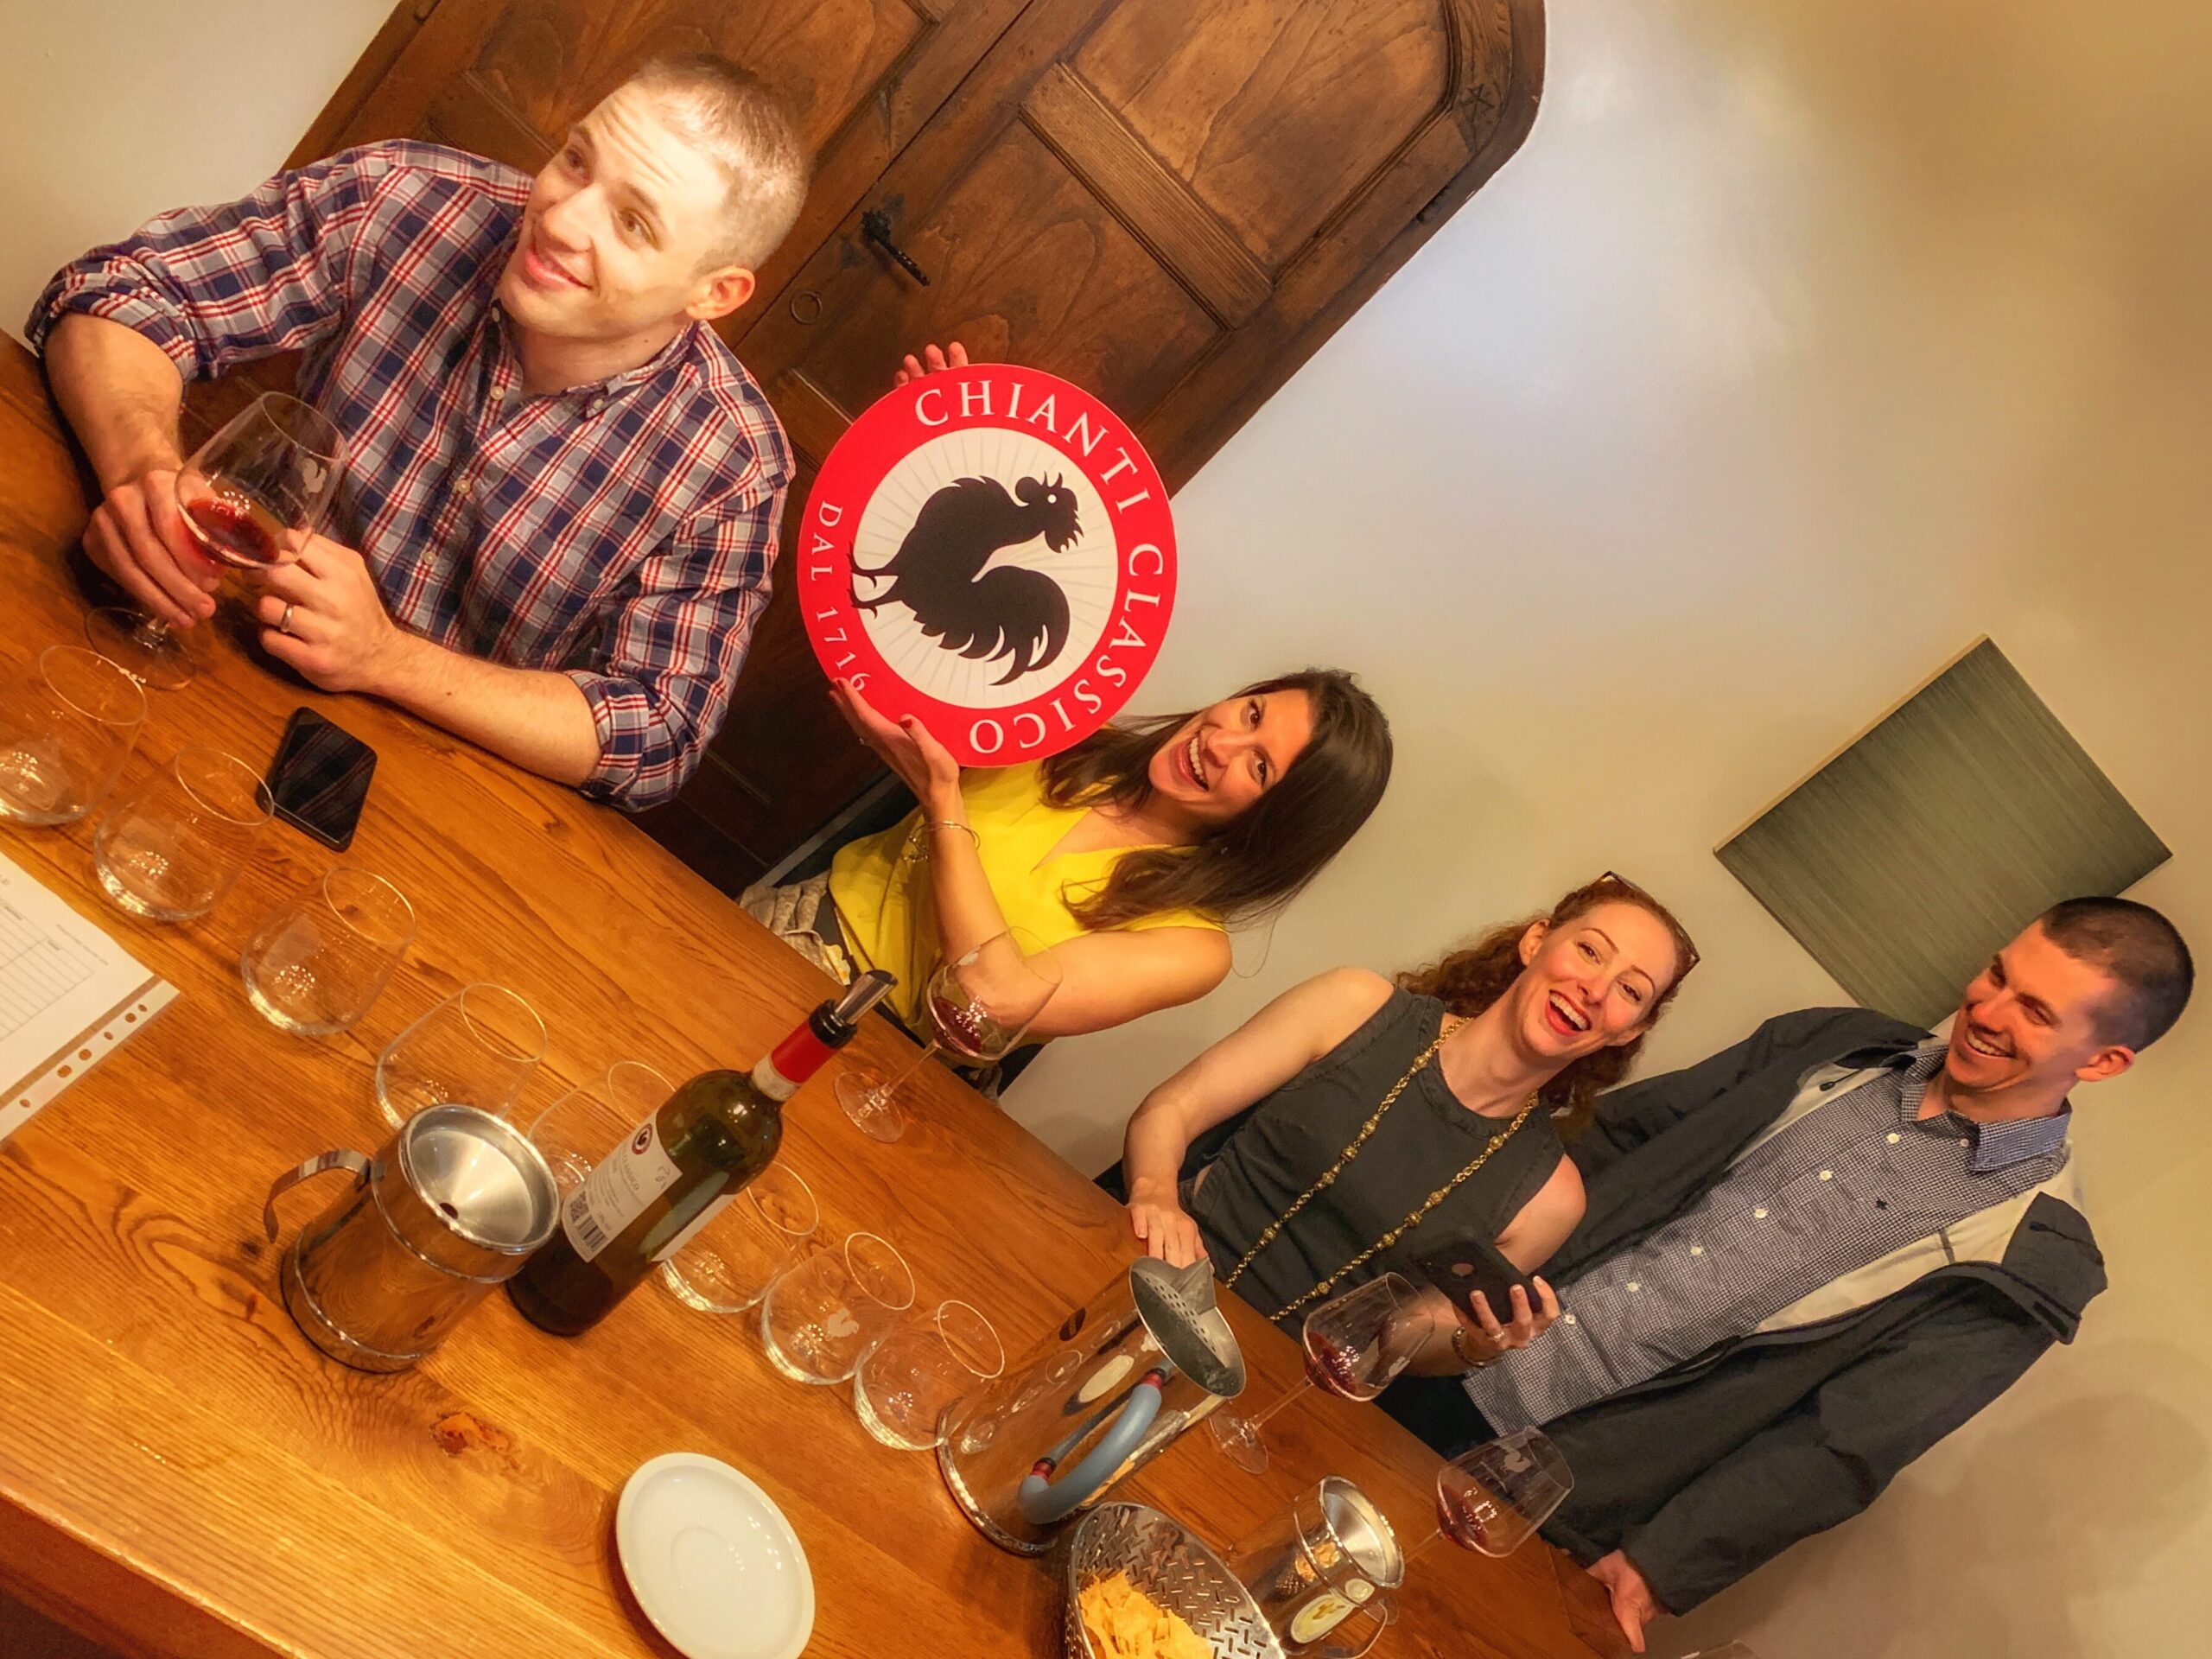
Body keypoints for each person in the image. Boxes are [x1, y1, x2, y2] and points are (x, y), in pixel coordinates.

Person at [1378, 896, 2193, 1651]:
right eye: (1997, 975)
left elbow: (1848, 1439)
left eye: (2037, 1013)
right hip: (1453, 1350)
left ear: (2105, 1061)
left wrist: (1664, 1567)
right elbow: (1616, 1140)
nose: (1985, 1010)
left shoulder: (2032, 1256)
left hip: (1566, 1485)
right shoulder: (1834, 1044)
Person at [29, 54, 810, 808]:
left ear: (716, 292)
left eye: (633, 222)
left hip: (414, 790)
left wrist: (387, 660)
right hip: (206, 647)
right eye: (576, 160)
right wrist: (141, 467)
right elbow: (121, 290)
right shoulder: (404, 197)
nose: (561, 219)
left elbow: (657, 732)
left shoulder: (732, 459)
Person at [1115, 874, 1698, 1371]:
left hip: (1268, 1379)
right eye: (1591, 951)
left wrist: (1477, 1342)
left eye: (1630, 990)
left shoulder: (1553, 1198)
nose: (1594, 990)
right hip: (1147, 1273)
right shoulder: (1352, 1003)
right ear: (1536, 941)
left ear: (1630, 1030)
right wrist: (1155, 1194)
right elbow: (1171, 1108)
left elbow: (1400, 1338)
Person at [745, 665, 1393, 1046]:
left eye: (1259, 768)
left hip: (891, 1058)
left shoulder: (1193, 947)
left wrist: (944, 804)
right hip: (787, 933)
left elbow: (994, 999)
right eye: (1251, 713)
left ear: (1273, 822)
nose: (1221, 744)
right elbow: (928, 681)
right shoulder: (1074, 733)